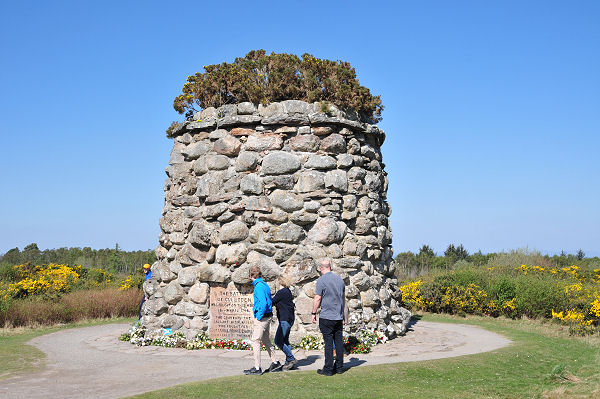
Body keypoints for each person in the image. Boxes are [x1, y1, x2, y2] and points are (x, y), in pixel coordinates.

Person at [311, 259, 348, 376]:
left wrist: (313, 313)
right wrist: (345, 317)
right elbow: (343, 300)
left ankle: (328, 369)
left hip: (327, 316)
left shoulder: (321, 280)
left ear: (322, 268)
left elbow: (317, 298)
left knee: (328, 343)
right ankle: (340, 368)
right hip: (338, 316)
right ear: (330, 267)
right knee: (338, 342)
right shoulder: (340, 280)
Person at [244, 265, 281, 375]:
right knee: (265, 340)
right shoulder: (264, 285)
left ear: (251, 276)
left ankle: (257, 368)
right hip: (268, 316)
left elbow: (264, 303)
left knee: (255, 341)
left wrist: (258, 316)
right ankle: (275, 362)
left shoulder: (259, 287)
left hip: (262, 318)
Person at [272, 275, 297, 370]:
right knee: (285, 340)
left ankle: (291, 358)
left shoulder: (281, 292)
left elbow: (272, 301)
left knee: (278, 341)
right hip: (290, 319)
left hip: (285, 320)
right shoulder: (288, 291)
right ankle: (288, 363)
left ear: (280, 283)